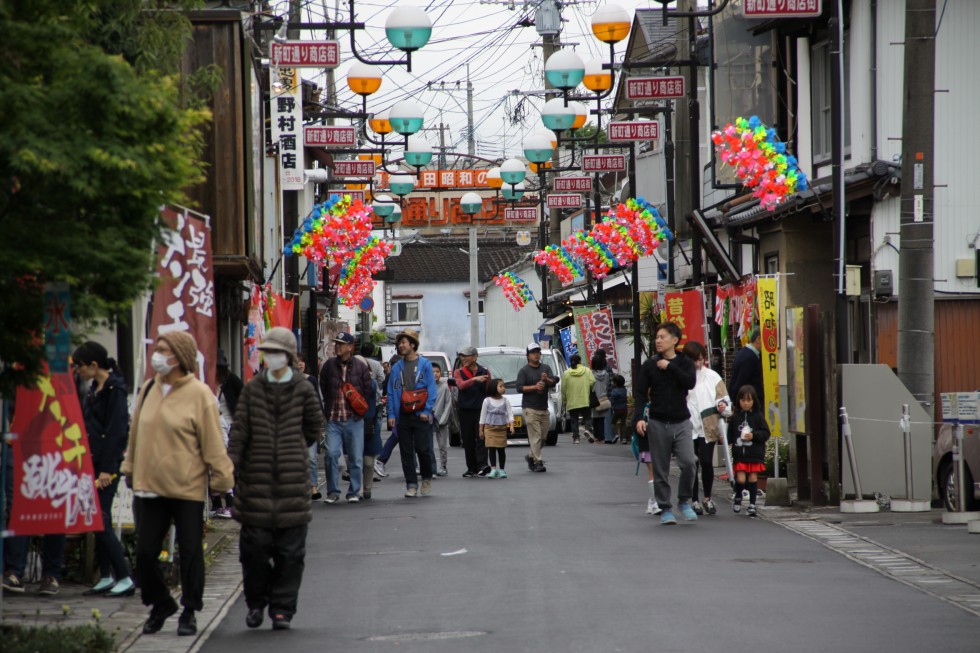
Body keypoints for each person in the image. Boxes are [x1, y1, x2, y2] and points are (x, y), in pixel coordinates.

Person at [122, 330, 234, 636]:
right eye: (157, 348)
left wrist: (223, 480)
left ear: (180, 357)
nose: (156, 354)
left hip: (187, 486)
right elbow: (135, 436)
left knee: (190, 551)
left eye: (163, 349)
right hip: (150, 486)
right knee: (144, 553)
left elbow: (213, 443)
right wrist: (129, 467)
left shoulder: (199, 395)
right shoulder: (148, 390)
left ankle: (189, 609)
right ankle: (160, 603)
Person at [228, 327, 323, 631]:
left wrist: (293, 449)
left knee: (290, 554)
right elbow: (239, 430)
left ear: (290, 356)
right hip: (255, 482)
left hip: (292, 483)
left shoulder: (303, 388)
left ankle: (282, 608)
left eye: (276, 352)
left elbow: (313, 426)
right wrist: (231, 464)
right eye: (266, 352)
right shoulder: (253, 389)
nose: (270, 357)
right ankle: (256, 602)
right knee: (253, 552)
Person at [71, 342, 135, 598]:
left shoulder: (115, 390)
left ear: (94, 365)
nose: (77, 371)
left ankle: (124, 576)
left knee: (101, 519)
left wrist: (108, 469)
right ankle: (107, 575)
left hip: (106, 466)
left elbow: (118, 432)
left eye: (79, 366)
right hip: (92, 461)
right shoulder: (94, 389)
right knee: (96, 518)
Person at [632, 322, 698, 525]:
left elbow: (690, 382)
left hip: (682, 421)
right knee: (660, 468)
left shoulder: (685, 362)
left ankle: (684, 501)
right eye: (657, 337)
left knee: (689, 462)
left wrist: (670, 366)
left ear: (675, 340)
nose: (658, 341)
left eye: (662, 337)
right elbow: (640, 393)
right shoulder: (650, 364)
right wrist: (639, 418)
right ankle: (665, 508)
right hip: (658, 422)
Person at [319, 332, 372, 504]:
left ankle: (354, 491)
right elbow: (324, 387)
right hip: (334, 419)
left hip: (354, 419)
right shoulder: (328, 366)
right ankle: (333, 491)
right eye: (336, 344)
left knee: (356, 458)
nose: (337, 346)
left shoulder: (361, 367)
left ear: (350, 347)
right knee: (331, 454)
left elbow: (367, 390)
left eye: (341, 344)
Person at [682, 341, 731, 516]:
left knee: (706, 462)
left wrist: (722, 406)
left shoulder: (712, 377)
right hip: (687, 426)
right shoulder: (681, 376)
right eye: (695, 360)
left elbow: (723, 398)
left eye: (701, 359)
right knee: (691, 463)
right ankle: (694, 500)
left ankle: (707, 497)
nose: (698, 363)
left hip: (708, 426)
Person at [387, 329, 438, 497]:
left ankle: (427, 477)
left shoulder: (425, 364)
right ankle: (411, 484)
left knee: (423, 449)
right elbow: (392, 392)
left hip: (420, 414)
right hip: (403, 415)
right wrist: (392, 415)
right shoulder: (396, 367)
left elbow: (431, 389)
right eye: (399, 343)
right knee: (406, 451)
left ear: (413, 344)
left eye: (404, 342)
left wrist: (427, 410)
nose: (401, 345)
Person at [727, 385, 770, 517]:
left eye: (749, 400)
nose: (745, 403)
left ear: (754, 401)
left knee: (752, 477)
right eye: (743, 400)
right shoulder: (735, 417)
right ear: (738, 401)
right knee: (740, 479)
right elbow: (730, 434)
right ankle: (738, 495)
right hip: (740, 453)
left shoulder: (758, 416)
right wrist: (724, 439)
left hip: (755, 453)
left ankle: (752, 505)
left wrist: (754, 435)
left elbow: (766, 433)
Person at [516, 342, 557, 472]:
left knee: (543, 438)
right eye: (533, 352)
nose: (536, 354)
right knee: (535, 436)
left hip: (543, 408)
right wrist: (534, 387)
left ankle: (530, 456)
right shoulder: (524, 371)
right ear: (528, 355)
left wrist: (547, 379)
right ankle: (538, 462)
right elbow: (519, 387)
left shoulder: (545, 368)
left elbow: (554, 381)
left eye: (538, 352)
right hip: (530, 408)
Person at [453, 346, 492, 478]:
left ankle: (482, 465)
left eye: (466, 356)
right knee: (468, 440)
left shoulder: (485, 371)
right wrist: (474, 380)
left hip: (481, 410)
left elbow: (489, 389)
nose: (463, 358)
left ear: (475, 357)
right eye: (461, 356)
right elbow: (460, 385)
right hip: (465, 411)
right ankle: (471, 468)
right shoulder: (458, 372)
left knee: (481, 437)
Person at [296, 352, 325, 501]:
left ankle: (313, 487)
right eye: (297, 361)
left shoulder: (311, 379)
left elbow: (317, 401)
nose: (300, 364)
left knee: (312, 457)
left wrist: (319, 424)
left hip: (309, 423)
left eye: (302, 361)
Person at [479, 378, 514, 478]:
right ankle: (493, 469)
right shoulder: (487, 401)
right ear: (494, 388)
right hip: (489, 428)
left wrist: (511, 425)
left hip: (501, 428)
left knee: (501, 449)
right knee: (492, 448)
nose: (503, 388)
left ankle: (502, 470)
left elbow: (510, 413)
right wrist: (481, 430)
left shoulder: (505, 400)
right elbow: (482, 416)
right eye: (501, 386)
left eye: (504, 386)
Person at [560, 354, 594, 444]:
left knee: (574, 420)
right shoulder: (587, 371)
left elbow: (563, 388)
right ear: (580, 361)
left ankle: (576, 438)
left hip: (572, 400)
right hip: (585, 399)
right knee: (587, 417)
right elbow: (593, 381)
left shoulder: (566, 373)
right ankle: (588, 430)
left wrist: (564, 400)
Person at [729, 328, 764, 409]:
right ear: (758, 339)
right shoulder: (749, 357)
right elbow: (741, 382)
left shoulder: (744, 353)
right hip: (748, 406)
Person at [431, 363, 452, 476]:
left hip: (441, 420)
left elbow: (448, 404)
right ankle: (430, 466)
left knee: (442, 445)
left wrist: (443, 419)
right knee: (427, 445)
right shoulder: (425, 387)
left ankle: (443, 466)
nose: (435, 374)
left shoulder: (444, 387)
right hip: (428, 420)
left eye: (437, 371)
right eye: (433, 371)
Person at [591, 352, 613, 443]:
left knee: (595, 417)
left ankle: (597, 436)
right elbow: (608, 386)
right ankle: (601, 437)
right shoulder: (606, 375)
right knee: (601, 418)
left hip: (594, 398)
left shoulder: (591, 374)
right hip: (604, 398)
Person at [610, 374, 630, 445]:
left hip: (617, 409)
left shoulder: (614, 391)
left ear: (615, 383)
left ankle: (616, 434)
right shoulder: (624, 390)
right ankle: (623, 438)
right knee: (623, 424)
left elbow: (612, 400)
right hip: (624, 409)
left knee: (613, 423)